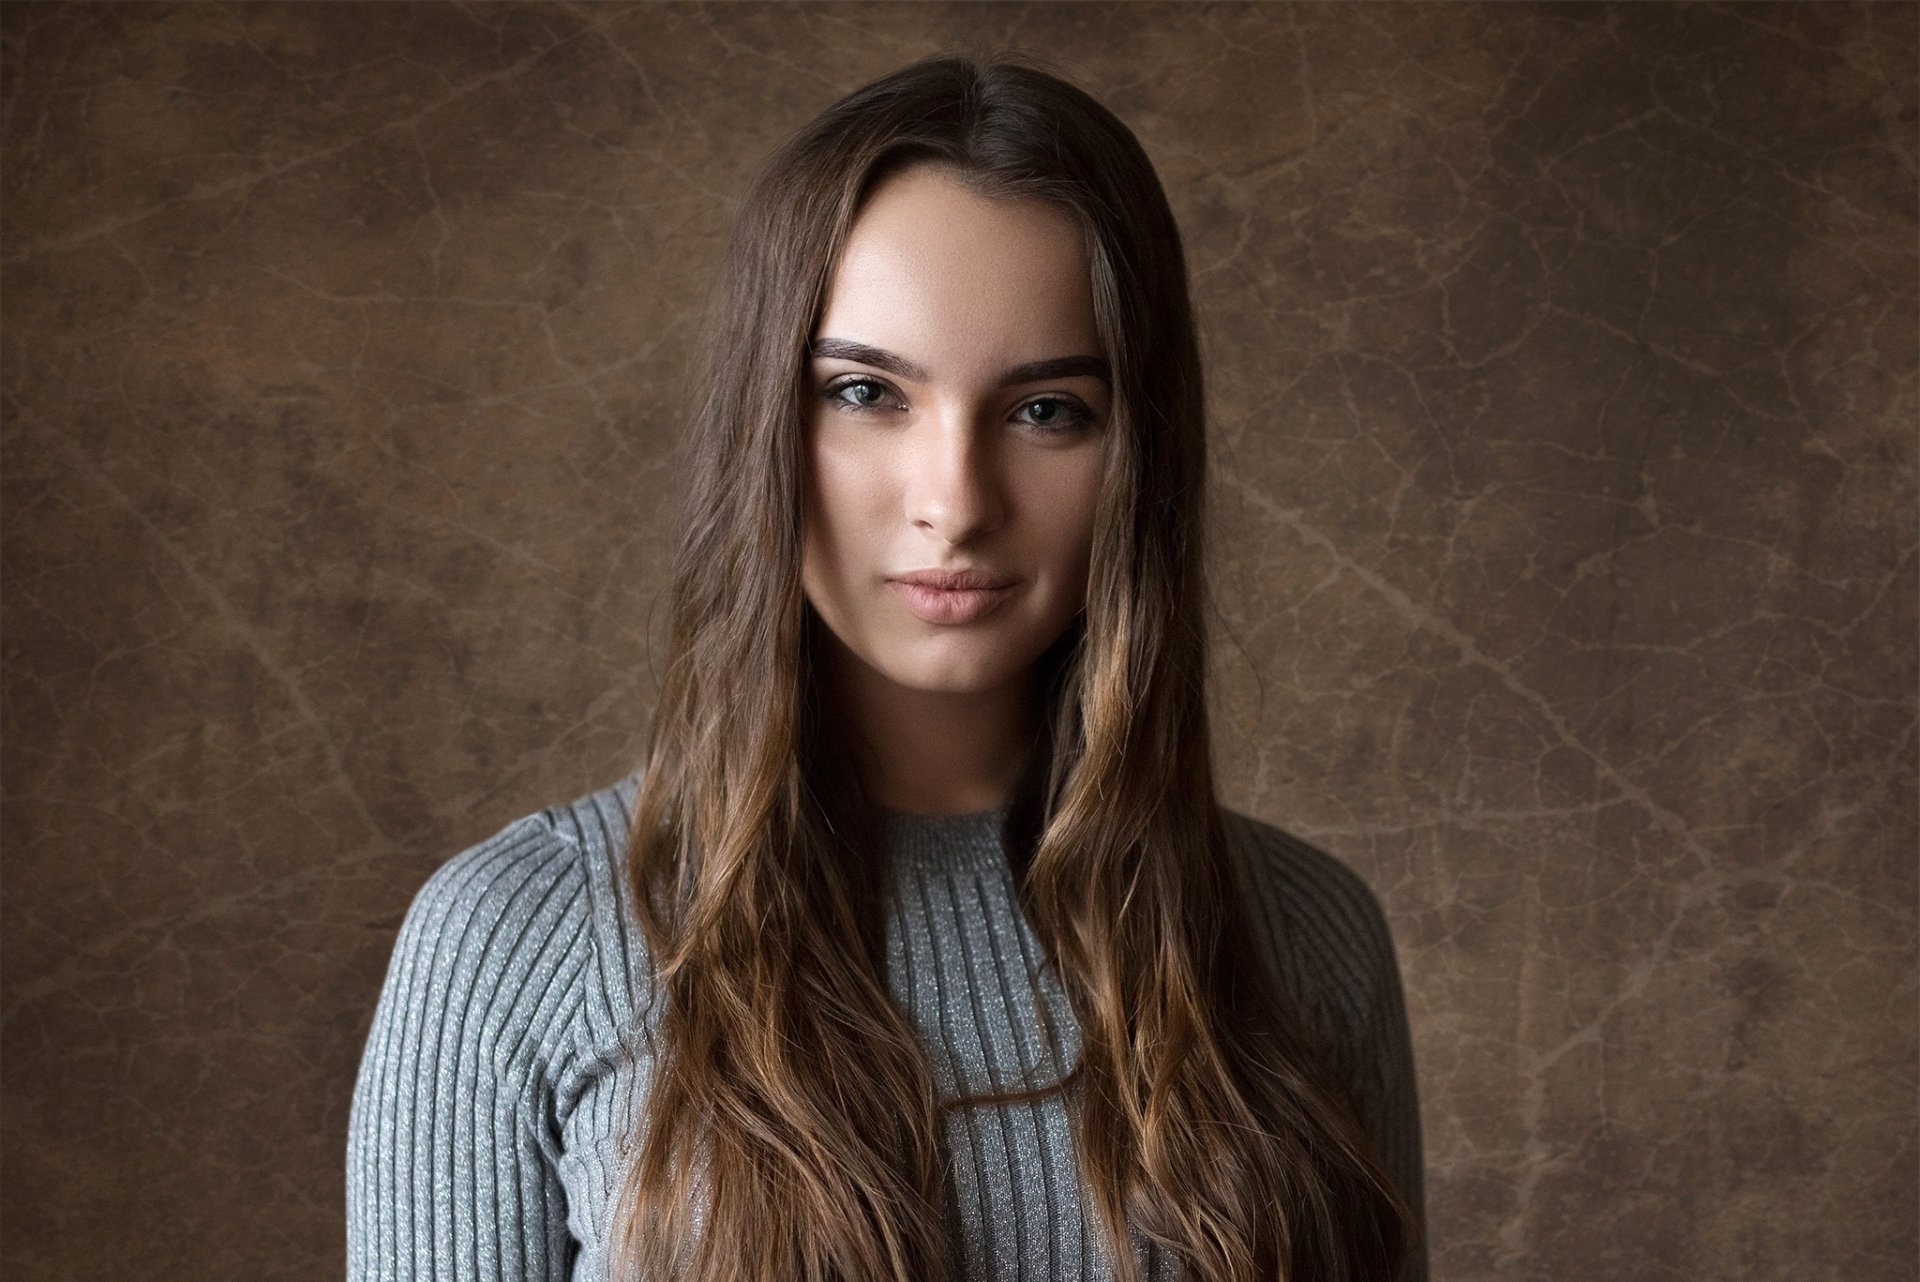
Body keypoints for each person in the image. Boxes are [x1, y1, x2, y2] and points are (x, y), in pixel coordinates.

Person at [346, 51, 1428, 1282]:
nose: (955, 502)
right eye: (867, 392)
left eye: (1046, 411)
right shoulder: (511, 947)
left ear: (1141, 452)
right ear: (767, 425)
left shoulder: (1313, 943)